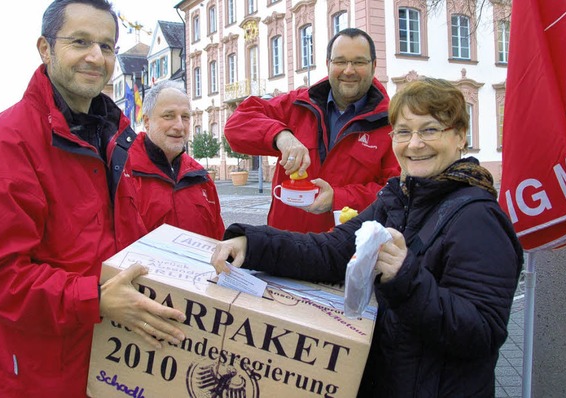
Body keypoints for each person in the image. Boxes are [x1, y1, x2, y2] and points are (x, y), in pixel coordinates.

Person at [212, 78, 524, 397]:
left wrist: (406, 277)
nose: (414, 143)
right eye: (403, 132)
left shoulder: (479, 219)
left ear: (460, 136)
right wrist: (252, 244)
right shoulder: (396, 199)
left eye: (430, 130)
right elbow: (331, 251)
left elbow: (482, 332)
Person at [0, 1, 186, 396]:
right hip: (42, 373)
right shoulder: (8, 141)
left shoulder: (116, 137)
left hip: (114, 363)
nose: (96, 57)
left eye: (107, 46)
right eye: (80, 42)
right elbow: (2, 278)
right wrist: (94, 298)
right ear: (45, 49)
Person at [224, 28, 400, 233]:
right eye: (340, 61)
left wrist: (338, 197)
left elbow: (396, 191)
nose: (349, 70)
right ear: (328, 64)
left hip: (347, 253)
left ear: (373, 66)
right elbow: (236, 125)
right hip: (284, 245)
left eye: (359, 62)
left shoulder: (391, 122)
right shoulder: (298, 104)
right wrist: (281, 135)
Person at [125, 80, 225, 239]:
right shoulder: (124, 174)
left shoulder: (200, 178)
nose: (179, 126)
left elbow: (218, 240)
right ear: (147, 121)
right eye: (168, 116)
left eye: (185, 117)